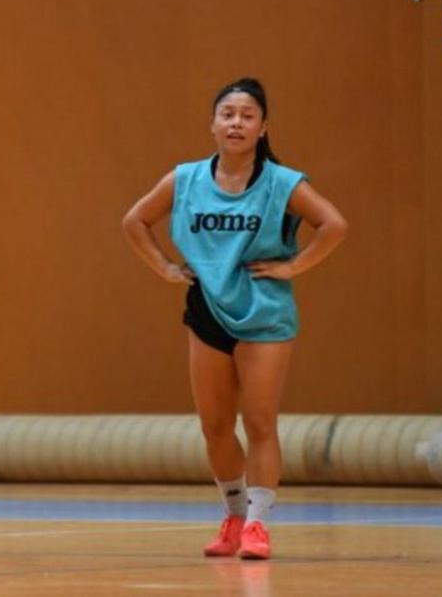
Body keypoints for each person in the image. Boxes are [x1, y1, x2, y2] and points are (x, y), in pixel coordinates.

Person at [121, 78, 347, 560]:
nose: (237, 123)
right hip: (207, 308)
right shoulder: (185, 179)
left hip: (263, 311)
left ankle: (259, 525)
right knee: (215, 425)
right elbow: (134, 221)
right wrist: (163, 267)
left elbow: (333, 224)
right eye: (228, 114)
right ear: (213, 124)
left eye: (247, 115)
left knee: (260, 421)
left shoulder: (283, 183)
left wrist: (292, 266)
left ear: (263, 127)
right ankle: (233, 515)